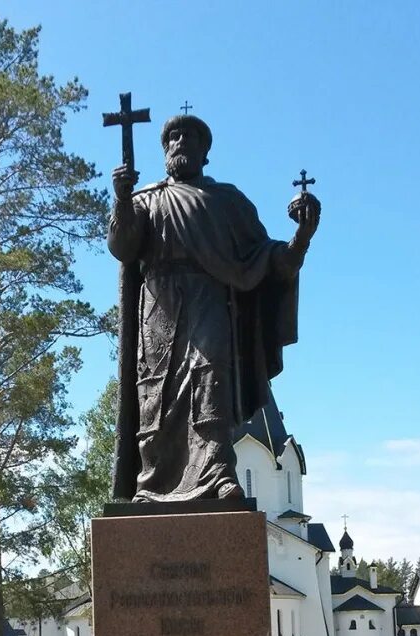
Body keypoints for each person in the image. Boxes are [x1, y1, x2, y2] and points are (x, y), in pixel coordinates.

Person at [108, 114, 320, 502]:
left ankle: (218, 472)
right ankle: (152, 482)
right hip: (159, 303)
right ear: (164, 149)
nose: (181, 142)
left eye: (191, 137)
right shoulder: (146, 199)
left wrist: (302, 236)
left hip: (209, 298)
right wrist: (122, 198)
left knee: (211, 380)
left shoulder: (228, 202)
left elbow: (272, 261)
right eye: (173, 136)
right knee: (154, 390)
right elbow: (123, 248)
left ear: (206, 152)